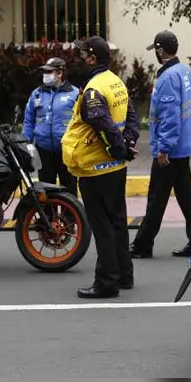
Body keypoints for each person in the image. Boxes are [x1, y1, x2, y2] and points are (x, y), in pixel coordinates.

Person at [61, 36, 140, 299]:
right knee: (117, 221)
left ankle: (106, 282)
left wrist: (120, 148)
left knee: (103, 226)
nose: (80, 60)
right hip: (115, 167)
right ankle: (124, 275)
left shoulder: (94, 89)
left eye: (83, 56)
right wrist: (128, 146)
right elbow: (131, 116)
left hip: (96, 169)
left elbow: (103, 124)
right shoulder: (115, 82)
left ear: (93, 58)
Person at [130, 30, 191, 259]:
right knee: (185, 193)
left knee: (157, 197)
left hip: (170, 148)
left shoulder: (168, 77)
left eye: (156, 49)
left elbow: (170, 116)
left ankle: (142, 244)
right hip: (183, 145)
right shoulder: (183, 70)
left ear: (161, 50)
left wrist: (164, 147)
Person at [21, 57, 80, 197]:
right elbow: (29, 121)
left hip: (66, 151)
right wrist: (25, 144)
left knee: (69, 189)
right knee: (45, 191)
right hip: (43, 151)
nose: (45, 76)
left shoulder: (74, 94)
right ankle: (47, 218)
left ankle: (71, 219)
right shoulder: (37, 94)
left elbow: (81, 123)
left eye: (49, 72)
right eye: (44, 72)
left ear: (59, 73)